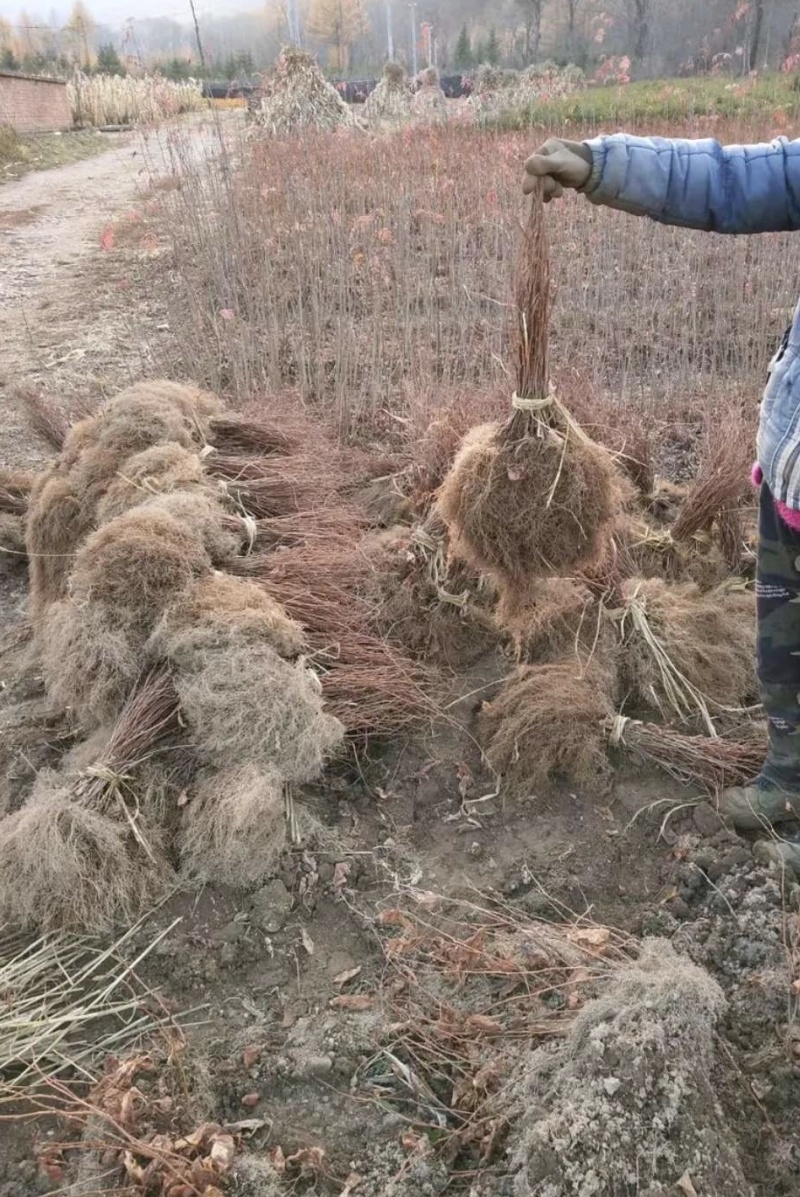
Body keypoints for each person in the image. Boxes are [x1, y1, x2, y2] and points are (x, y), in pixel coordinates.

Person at [523, 133, 800, 870]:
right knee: (781, 652)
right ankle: (788, 782)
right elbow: (729, 178)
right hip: (792, 482)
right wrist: (601, 167)